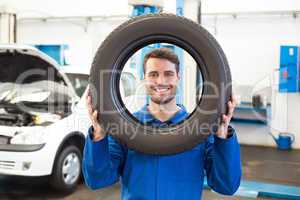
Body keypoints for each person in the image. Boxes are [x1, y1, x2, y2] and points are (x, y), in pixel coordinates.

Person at [82, 48, 241, 200]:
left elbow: (226, 185)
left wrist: (222, 136)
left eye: (168, 74)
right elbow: (98, 179)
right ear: (144, 78)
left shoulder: (201, 130)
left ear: (178, 77)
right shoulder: (125, 128)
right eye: (153, 74)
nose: (160, 81)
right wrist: (99, 135)